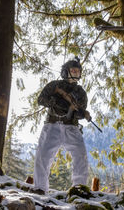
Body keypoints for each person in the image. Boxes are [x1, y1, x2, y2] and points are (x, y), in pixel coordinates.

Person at [33, 57, 89, 194]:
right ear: (66, 71)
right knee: (43, 156)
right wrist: (56, 102)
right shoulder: (54, 85)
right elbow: (41, 100)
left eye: (78, 71)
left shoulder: (81, 93)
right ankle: (40, 188)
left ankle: (79, 189)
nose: (76, 73)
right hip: (52, 124)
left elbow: (78, 112)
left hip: (71, 127)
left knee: (80, 156)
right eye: (73, 70)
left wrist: (81, 114)